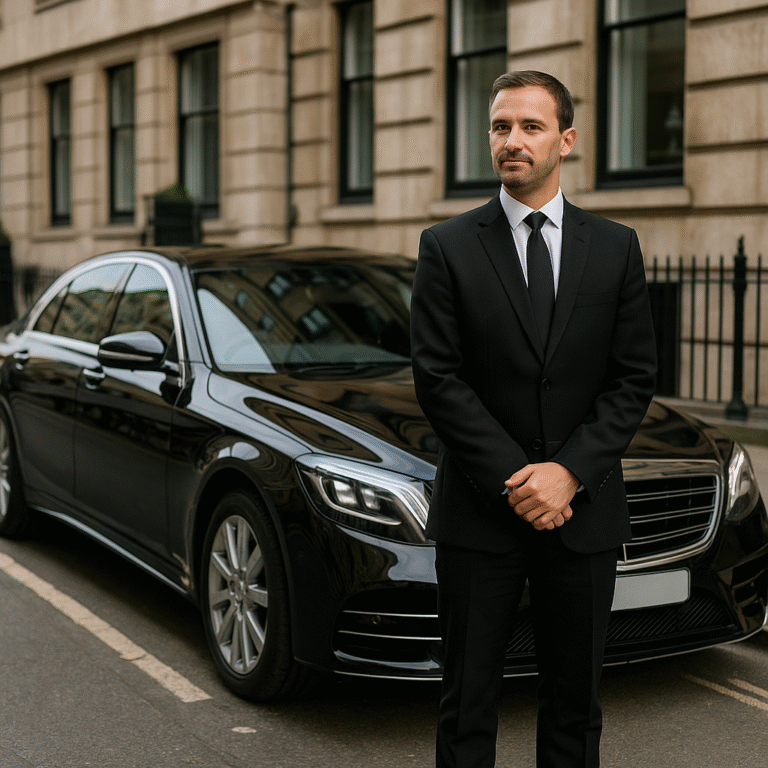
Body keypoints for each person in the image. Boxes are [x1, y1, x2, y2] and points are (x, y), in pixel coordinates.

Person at [410, 71, 657, 768]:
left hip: (583, 514)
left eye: (530, 126)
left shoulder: (614, 248)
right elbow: (438, 378)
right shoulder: (448, 246)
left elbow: (633, 378)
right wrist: (521, 480)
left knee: (576, 711)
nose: (511, 141)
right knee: (465, 708)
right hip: (480, 514)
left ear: (567, 140)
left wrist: (569, 474)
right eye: (499, 127)